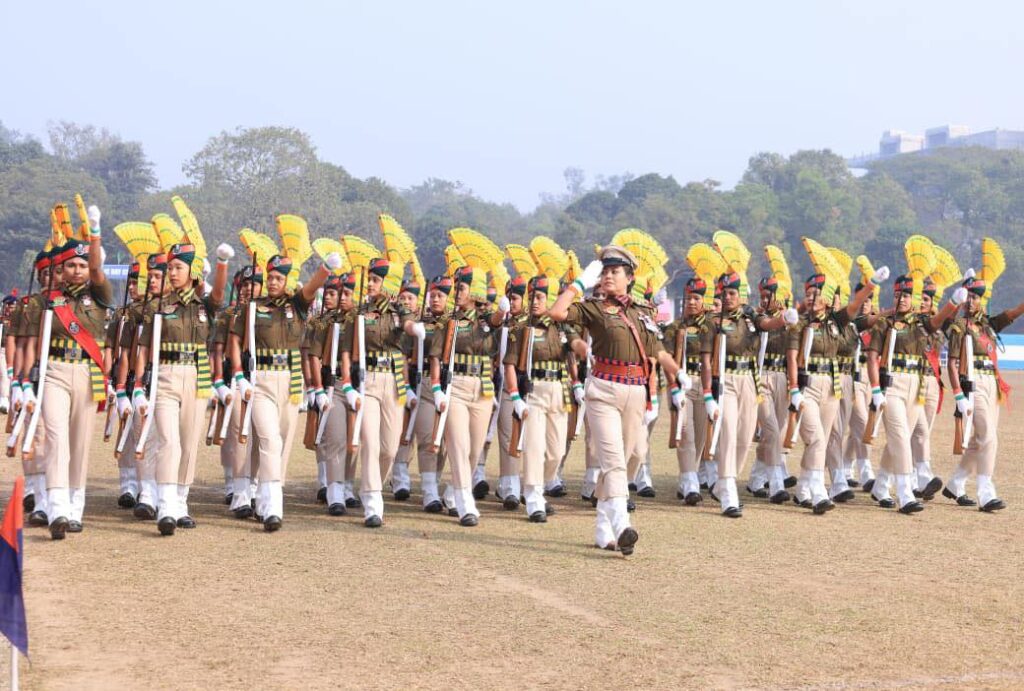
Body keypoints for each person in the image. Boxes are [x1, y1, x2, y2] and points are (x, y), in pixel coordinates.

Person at [548, 246, 687, 554]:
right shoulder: (595, 307)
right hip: (604, 391)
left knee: (631, 457)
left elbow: (657, 350)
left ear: (629, 277)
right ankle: (622, 525)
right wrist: (581, 282)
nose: (608, 276)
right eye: (605, 271)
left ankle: (601, 527)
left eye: (615, 271)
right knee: (612, 460)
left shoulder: (642, 312)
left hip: (636, 391)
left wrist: (677, 375)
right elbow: (557, 313)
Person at [229, 252, 336, 531]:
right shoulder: (254, 307)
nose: (274, 282)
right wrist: (240, 375)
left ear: (287, 279)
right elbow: (235, 339)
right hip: (261, 380)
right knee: (269, 440)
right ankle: (271, 506)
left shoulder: (297, 305)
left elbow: (311, 289)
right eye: (271, 277)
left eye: (279, 278)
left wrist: (325, 269)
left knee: (283, 441)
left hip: (289, 381)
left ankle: (262, 491)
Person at [130, 242, 229, 535]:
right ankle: (165, 505)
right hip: (165, 376)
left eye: (178, 267)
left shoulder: (203, 306)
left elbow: (220, 294)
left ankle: (180, 502)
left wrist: (222, 262)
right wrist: (137, 386)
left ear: (191, 272)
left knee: (188, 443)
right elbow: (144, 349)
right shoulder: (158, 306)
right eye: (170, 267)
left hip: (196, 377)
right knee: (168, 441)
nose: (172, 272)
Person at [26, 206, 109, 539]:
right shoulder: (48, 300)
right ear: (59, 269)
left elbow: (99, 269)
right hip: (55, 372)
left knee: (79, 441)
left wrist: (95, 231)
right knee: (57, 437)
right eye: (70, 265)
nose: (77, 270)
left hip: (87, 373)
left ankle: (76, 505)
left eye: (81, 265)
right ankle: (58, 506)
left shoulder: (99, 295)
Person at [865, 275, 963, 513]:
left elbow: (937, 321)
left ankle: (880, 485)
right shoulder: (884, 323)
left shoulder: (920, 323)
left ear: (913, 298)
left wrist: (952, 303)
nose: (902, 299)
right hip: (892, 383)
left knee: (900, 439)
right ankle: (905, 491)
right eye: (898, 294)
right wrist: (876, 389)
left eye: (907, 295)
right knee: (900, 437)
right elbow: (871, 357)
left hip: (916, 385)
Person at [700, 272, 794, 517]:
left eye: (732, 293)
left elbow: (768, 325)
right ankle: (729, 494)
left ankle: (722, 484)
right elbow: (707, 360)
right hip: (726, 381)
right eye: (724, 293)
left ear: (740, 294)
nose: (728, 297)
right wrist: (709, 394)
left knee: (743, 439)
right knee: (729, 433)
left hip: (749, 382)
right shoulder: (713, 321)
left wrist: (784, 318)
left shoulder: (751, 316)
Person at [787, 273, 879, 514]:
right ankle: (818, 491)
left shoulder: (836, 322)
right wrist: (794, 388)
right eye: (807, 294)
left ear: (826, 300)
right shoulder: (800, 323)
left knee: (821, 440)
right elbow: (792, 358)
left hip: (831, 385)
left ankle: (803, 487)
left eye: (815, 294)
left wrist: (871, 284)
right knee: (816, 438)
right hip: (807, 385)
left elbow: (855, 306)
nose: (810, 298)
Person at [339, 258, 416, 527]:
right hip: (368, 381)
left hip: (394, 382)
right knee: (370, 443)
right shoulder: (359, 313)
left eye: (375, 279)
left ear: (387, 283)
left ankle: (374, 486)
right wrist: (348, 385)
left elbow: (407, 325)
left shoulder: (399, 311)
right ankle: (372, 502)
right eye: (369, 279)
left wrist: (413, 328)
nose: (370, 284)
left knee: (389, 449)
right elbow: (347, 350)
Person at [944, 274, 1024, 511]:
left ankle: (956, 483)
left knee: (979, 440)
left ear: (982, 300)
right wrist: (958, 394)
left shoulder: (987, 324)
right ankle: (986, 491)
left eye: (975, 297)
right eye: (968, 296)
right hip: (972, 383)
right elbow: (952, 363)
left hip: (992, 384)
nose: (971, 301)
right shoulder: (959, 326)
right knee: (988, 436)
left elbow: (1011, 314)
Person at [429, 267, 500, 525]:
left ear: (475, 292)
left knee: (474, 448)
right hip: (456, 386)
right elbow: (436, 356)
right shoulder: (450, 321)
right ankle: (465, 502)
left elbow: (497, 321)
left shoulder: (486, 321)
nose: (455, 293)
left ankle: (454, 491)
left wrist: (501, 309)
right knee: (458, 445)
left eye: (461, 288)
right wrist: (436, 389)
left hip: (482, 387)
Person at [502, 275, 575, 521]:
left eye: (540, 297)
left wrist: (578, 384)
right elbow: (510, 364)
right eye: (531, 296)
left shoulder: (562, 327)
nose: (534, 302)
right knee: (533, 448)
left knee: (555, 453)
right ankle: (534, 498)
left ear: (551, 298)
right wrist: (515, 397)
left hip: (559, 390)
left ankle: (537, 487)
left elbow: (574, 355)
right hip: (533, 391)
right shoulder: (522, 328)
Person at [308, 271, 358, 516]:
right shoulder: (324, 322)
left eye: (339, 293)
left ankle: (347, 486)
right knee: (335, 438)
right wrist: (316, 389)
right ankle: (334, 490)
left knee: (354, 440)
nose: (333, 298)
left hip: (358, 384)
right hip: (334, 384)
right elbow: (314, 356)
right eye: (329, 293)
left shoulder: (360, 320)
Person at [661, 277, 712, 505]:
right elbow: (669, 360)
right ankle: (691, 484)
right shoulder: (675, 328)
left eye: (696, 298)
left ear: (704, 301)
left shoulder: (712, 327)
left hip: (705, 383)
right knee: (686, 434)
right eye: (689, 298)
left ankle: (685, 479)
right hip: (684, 383)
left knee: (700, 437)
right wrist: (673, 387)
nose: (691, 302)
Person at [751, 276, 796, 502]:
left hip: (781, 376)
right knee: (771, 430)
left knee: (775, 431)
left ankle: (756, 478)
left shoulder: (791, 321)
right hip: (760, 376)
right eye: (763, 296)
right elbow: (764, 326)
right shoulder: (756, 317)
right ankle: (777, 483)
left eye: (769, 296)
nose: (765, 300)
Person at [908, 279, 945, 500]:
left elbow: (938, 345)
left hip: (932, 381)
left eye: (926, 299)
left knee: (923, 433)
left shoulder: (938, 326)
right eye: (919, 298)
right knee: (917, 431)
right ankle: (922, 476)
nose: (922, 302)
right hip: (915, 379)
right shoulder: (910, 323)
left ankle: (916, 480)